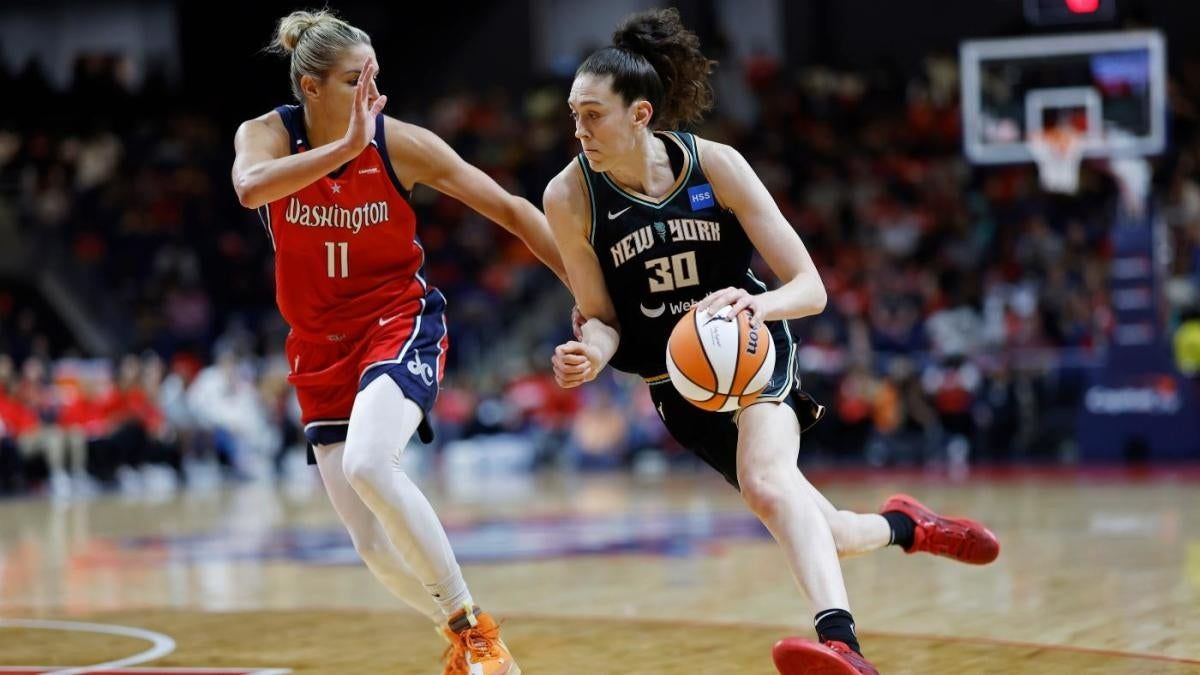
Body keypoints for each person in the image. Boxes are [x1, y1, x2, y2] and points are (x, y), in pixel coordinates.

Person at [545, 9, 999, 674]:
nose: (578, 130)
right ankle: (908, 525)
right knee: (823, 527)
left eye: (593, 115)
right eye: (573, 114)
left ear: (640, 114)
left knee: (765, 482)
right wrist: (592, 354)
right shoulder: (569, 196)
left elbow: (810, 286)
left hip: (753, 348)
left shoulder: (716, 166)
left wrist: (753, 304)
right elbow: (603, 317)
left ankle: (843, 645)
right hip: (679, 386)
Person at [232, 10, 563, 674]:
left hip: (396, 321)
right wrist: (343, 149)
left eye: (375, 75)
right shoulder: (265, 135)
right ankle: (463, 630)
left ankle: (477, 632)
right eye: (356, 79)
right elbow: (248, 189)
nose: (372, 92)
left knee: (369, 462)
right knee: (372, 545)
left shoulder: (398, 142)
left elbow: (510, 207)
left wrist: (588, 293)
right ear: (311, 86)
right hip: (317, 348)